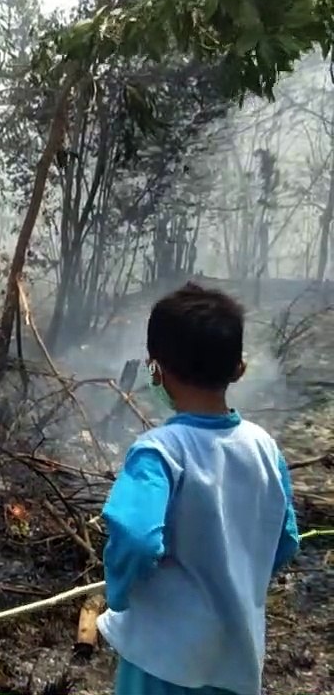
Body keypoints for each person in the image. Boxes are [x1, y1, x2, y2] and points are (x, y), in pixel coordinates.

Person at [97, 282, 302, 695]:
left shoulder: (157, 453)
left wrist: (118, 593)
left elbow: (135, 539)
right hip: (238, 660)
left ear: (155, 370)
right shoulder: (266, 449)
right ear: (239, 369)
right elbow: (285, 541)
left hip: (164, 662)